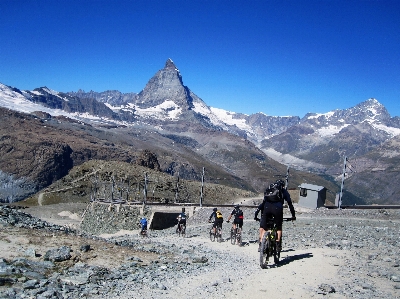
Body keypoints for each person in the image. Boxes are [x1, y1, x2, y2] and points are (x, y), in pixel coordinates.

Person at [256, 179, 296, 251]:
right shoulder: (283, 191)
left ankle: (261, 244)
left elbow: (264, 201)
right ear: (283, 186)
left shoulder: (269, 190)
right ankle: (277, 245)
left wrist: (262, 214)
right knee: (278, 227)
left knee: (265, 227)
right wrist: (293, 215)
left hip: (266, 208)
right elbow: (290, 204)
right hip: (277, 209)